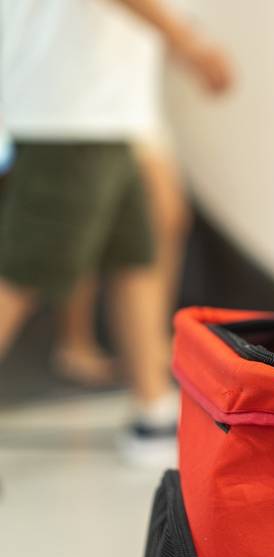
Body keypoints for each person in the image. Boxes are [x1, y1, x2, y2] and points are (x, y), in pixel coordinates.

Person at [0, 0, 232, 465]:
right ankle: (149, 406)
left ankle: (153, 413)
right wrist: (188, 44)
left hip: (110, 115)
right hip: (71, 116)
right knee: (24, 272)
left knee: (135, 257)